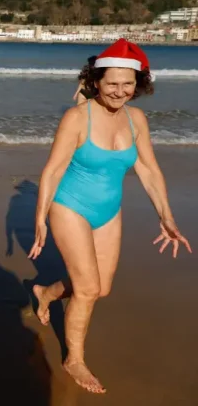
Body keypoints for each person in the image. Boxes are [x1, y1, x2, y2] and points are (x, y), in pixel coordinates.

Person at [28, 39, 191, 394]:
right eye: (112, 83)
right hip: (70, 205)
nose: (120, 91)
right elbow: (53, 170)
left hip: (108, 211)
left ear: (139, 83)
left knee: (100, 288)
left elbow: (148, 169)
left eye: (128, 83)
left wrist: (166, 217)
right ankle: (74, 359)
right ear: (96, 81)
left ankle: (46, 292)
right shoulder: (77, 118)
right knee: (87, 288)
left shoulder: (136, 120)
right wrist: (40, 218)